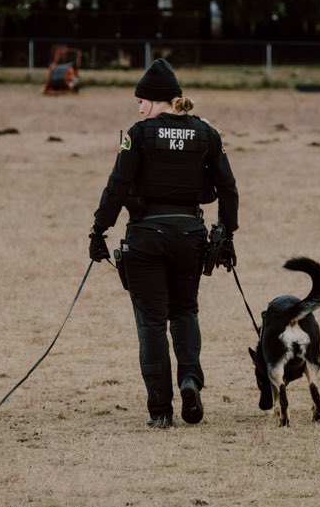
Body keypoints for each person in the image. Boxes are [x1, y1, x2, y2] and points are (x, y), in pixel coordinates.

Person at [89, 58, 239, 429]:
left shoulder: (138, 135)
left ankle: (160, 411)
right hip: (190, 235)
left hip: (145, 237)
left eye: (142, 101)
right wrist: (228, 234)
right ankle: (190, 379)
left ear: (157, 102)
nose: (139, 108)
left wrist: (99, 230)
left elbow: (117, 186)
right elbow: (228, 188)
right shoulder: (207, 133)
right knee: (185, 311)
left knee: (152, 323)